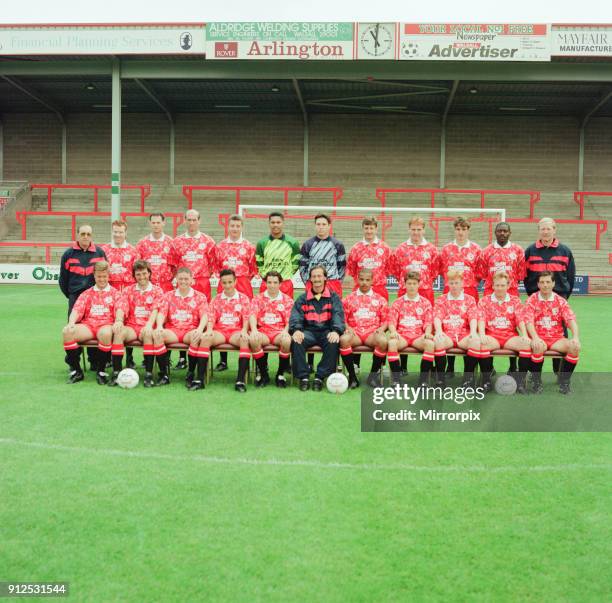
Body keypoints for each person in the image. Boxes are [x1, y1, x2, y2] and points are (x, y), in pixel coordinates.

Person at [524, 218, 576, 376]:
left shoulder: (565, 251)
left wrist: (564, 295)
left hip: (558, 298)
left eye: (548, 229)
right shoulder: (530, 250)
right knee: (535, 333)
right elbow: (526, 275)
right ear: (538, 230)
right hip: (536, 298)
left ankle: (558, 371)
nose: (545, 232)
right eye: (542, 229)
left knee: (559, 333)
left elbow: (571, 276)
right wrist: (533, 293)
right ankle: (535, 375)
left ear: (555, 230)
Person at [61, 261, 124, 385]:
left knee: (105, 334)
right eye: (99, 276)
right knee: (67, 332)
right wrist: (71, 322)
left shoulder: (116, 293)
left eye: (104, 276)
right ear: (94, 276)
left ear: (108, 276)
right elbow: (77, 309)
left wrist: (118, 320)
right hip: (88, 326)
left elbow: (120, 309)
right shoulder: (86, 293)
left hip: (106, 325)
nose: (102, 279)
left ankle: (101, 372)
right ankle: (77, 371)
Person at [391, 216, 439, 374]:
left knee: (427, 324)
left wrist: (422, 282)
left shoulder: (431, 249)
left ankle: (429, 365)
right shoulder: (400, 249)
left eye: (419, 229)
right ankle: (402, 366)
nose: (416, 232)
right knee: (402, 324)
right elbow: (395, 269)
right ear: (409, 229)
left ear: (424, 230)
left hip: (425, 290)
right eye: (413, 229)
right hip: (405, 289)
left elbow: (434, 271)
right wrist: (407, 283)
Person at [478, 222, 526, 375]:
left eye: (505, 231)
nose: (502, 233)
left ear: (510, 233)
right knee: (489, 327)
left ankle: (513, 366)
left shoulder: (518, 250)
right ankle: (489, 368)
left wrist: (508, 287)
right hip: (490, 293)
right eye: (499, 231)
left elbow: (520, 273)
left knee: (512, 326)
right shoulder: (486, 251)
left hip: (511, 293)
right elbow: (482, 273)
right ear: (495, 233)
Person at [59, 223, 107, 370]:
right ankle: (74, 363)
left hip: (95, 297)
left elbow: (103, 275)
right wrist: (73, 295)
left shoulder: (99, 253)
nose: (86, 237)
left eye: (88, 234)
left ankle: (94, 361)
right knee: (73, 329)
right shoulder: (68, 254)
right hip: (75, 298)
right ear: (77, 235)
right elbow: (63, 280)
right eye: (83, 234)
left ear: (92, 236)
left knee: (93, 327)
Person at [289, 265, 345, 391]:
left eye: (319, 276)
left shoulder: (333, 297)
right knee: (297, 340)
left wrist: (336, 331)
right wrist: (297, 330)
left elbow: (338, 314)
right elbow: (296, 316)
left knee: (333, 341)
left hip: (326, 331)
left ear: (325, 278)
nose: (317, 279)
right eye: (314, 276)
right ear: (310, 279)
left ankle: (320, 377)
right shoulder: (302, 298)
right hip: (308, 331)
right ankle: (303, 377)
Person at [524, 271, 581, 394]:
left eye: (548, 282)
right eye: (542, 282)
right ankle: (536, 382)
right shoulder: (532, 300)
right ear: (538, 284)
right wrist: (534, 337)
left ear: (553, 283)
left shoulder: (560, 301)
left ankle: (564, 382)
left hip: (556, 338)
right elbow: (528, 321)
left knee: (574, 348)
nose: (545, 285)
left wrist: (575, 337)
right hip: (539, 337)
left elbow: (570, 319)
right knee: (538, 346)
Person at [439, 216, 482, 377]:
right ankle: (449, 367)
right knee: (449, 324)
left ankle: (468, 370)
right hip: (450, 290)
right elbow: (441, 269)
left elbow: (479, 272)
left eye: (464, 229)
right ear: (454, 230)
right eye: (458, 229)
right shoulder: (446, 249)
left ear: (468, 230)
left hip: (469, 290)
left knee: (468, 327)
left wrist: (468, 283)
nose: (461, 232)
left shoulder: (476, 249)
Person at [110, 260, 164, 388]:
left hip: (147, 325)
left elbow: (157, 310)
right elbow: (121, 306)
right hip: (132, 326)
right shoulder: (128, 290)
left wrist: (149, 325)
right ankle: (117, 373)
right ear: (134, 276)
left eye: (144, 273)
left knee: (148, 335)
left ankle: (149, 375)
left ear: (149, 273)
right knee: (118, 332)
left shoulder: (157, 290)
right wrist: (118, 320)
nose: (142, 277)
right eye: (138, 274)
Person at [214, 213, 257, 372]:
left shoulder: (249, 246)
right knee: (223, 319)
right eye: (232, 225)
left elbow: (253, 269)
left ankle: (248, 358)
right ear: (228, 226)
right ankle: (223, 360)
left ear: (242, 227)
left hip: (243, 282)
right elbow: (218, 266)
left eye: (238, 226)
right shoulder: (220, 246)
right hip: (225, 282)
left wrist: (240, 279)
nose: (234, 228)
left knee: (247, 317)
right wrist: (227, 280)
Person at [477, 271, 532, 394]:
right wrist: (481, 334)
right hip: (492, 335)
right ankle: (486, 381)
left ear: (508, 286)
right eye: (497, 285)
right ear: (493, 286)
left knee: (526, 345)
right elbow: (481, 318)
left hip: (509, 336)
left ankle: (520, 381)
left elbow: (520, 319)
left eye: (502, 285)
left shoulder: (515, 301)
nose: (500, 288)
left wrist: (524, 334)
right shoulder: (484, 301)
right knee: (482, 345)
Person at [155, 267, 210, 389]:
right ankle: (163, 375)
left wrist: (200, 329)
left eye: (186, 279)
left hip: (190, 330)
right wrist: (159, 326)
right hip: (173, 330)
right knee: (157, 335)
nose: (183, 281)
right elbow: (162, 313)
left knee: (196, 337)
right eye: (180, 279)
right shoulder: (168, 296)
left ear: (191, 280)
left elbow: (205, 315)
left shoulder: (200, 296)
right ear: (176, 280)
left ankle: (190, 373)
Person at [201, 269, 252, 393]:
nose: (227, 285)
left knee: (244, 339)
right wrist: (208, 330)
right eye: (224, 283)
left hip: (236, 331)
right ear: (220, 283)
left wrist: (244, 330)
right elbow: (211, 317)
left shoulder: (243, 298)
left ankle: (240, 380)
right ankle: (199, 379)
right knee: (205, 338)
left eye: (230, 282)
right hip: (220, 332)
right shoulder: (216, 299)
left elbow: (246, 318)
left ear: (235, 282)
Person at [339, 269, 388, 389]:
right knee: (344, 340)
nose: (364, 282)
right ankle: (352, 376)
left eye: (367, 280)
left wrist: (381, 329)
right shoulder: (348, 299)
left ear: (372, 281)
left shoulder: (380, 299)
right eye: (361, 279)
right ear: (357, 280)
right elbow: (342, 318)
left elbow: (386, 320)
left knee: (383, 341)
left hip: (372, 333)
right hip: (355, 332)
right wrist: (348, 327)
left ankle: (372, 376)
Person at [433, 270, 481, 388]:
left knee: (475, 342)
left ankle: (467, 380)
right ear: (448, 284)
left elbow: (473, 317)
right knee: (438, 341)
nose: (454, 286)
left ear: (462, 283)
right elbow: (437, 317)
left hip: (464, 334)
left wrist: (474, 332)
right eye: (452, 283)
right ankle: (441, 380)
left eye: (456, 283)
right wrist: (439, 331)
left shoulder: (469, 299)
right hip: (447, 334)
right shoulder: (442, 299)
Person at [387, 271, 435, 387]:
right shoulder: (398, 302)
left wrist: (427, 333)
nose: (412, 286)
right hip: (402, 336)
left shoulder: (425, 303)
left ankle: (423, 381)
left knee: (430, 344)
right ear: (405, 285)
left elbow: (428, 322)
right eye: (409, 283)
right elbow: (392, 321)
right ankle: (397, 380)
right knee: (392, 343)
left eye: (414, 283)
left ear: (418, 284)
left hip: (418, 336)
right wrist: (393, 332)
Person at [101, 219, 137, 368]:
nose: (118, 234)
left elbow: (136, 274)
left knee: (128, 321)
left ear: (125, 233)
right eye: (115, 231)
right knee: (111, 320)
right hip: (111, 290)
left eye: (120, 232)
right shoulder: (104, 250)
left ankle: (129, 357)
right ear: (112, 231)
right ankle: (109, 356)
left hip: (128, 290)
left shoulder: (133, 251)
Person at [248, 271, 294, 388]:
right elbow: (252, 315)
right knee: (253, 340)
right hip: (263, 331)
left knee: (287, 341)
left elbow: (290, 319)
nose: (272, 285)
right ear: (265, 283)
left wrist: (286, 331)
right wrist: (254, 330)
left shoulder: (287, 300)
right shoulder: (258, 299)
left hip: (279, 331)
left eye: (275, 282)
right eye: (269, 282)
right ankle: (264, 375)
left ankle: (280, 374)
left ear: (280, 284)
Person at [299, 213, 346, 296]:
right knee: (313, 308)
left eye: (324, 224)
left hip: (332, 283)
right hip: (314, 283)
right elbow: (302, 266)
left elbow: (342, 266)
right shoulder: (308, 244)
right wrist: (307, 282)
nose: (321, 227)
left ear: (329, 226)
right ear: (315, 226)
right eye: (318, 224)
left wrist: (338, 282)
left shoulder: (337, 244)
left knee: (333, 309)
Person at [256, 212, 301, 298]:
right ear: (269, 224)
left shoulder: (293, 242)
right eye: (273, 222)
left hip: (285, 283)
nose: (275, 225)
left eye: (278, 222)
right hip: (267, 283)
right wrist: (266, 277)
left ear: (283, 223)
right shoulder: (262, 243)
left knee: (286, 310)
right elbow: (259, 263)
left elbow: (296, 263)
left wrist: (286, 274)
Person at [346, 216, 392, 300]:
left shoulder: (385, 248)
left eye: (371, 228)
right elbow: (352, 271)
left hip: (379, 288)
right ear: (363, 229)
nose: (369, 231)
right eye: (366, 228)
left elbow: (389, 269)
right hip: (360, 289)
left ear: (376, 229)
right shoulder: (356, 248)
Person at [135, 213, 176, 293]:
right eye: (153, 223)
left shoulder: (171, 242)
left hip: (166, 285)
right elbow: (137, 265)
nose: (156, 225)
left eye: (158, 222)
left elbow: (175, 265)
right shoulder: (142, 243)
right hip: (147, 285)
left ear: (163, 223)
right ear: (150, 223)